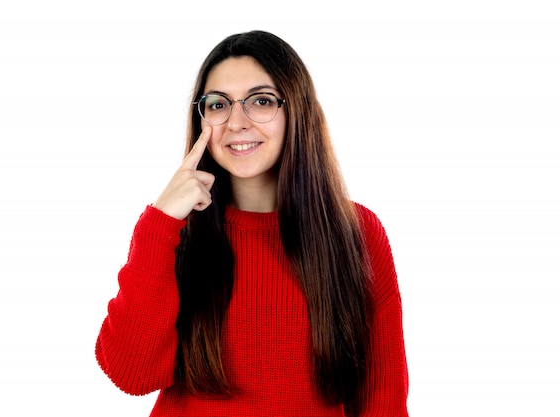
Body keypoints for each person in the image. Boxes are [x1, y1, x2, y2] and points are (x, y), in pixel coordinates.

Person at [95, 30, 408, 416]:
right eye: (218, 105)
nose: (236, 123)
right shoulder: (171, 233)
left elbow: (384, 402)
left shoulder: (356, 231)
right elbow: (132, 375)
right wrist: (157, 226)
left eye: (261, 101)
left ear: (297, 110)